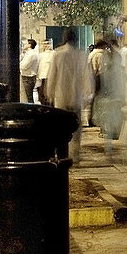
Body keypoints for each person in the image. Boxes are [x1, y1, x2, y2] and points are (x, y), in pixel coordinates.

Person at [46, 29, 91, 163]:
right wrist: (88, 94)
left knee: (60, 126)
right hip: (76, 96)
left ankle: (62, 152)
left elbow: (52, 76)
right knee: (76, 126)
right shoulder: (81, 55)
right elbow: (87, 77)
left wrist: (50, 93)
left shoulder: (58, 54)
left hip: (61, 96)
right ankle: (74, 154)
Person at [20, 38, 39, 103]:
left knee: (29, 98)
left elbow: (23, 66)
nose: (23, 45)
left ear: (29, 45)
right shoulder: (28, 54)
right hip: (27, 77)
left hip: (28, 78)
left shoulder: (31, 54)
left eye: (25, 44)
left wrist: (19, 64)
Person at [36, 39, 54, 105]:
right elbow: (39, 66)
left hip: (50, 76)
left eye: (47, 44)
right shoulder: (41, 55)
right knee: (42, 93)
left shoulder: (54, 54)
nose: (45, 45)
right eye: (44, 44)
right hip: (42, 76)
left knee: (48, 93)